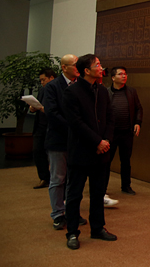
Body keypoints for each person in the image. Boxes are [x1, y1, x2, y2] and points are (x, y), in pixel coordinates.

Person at [62, 54, 117, 250]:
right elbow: (76, 123)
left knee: (98, 192)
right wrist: (97, 141)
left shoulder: (102, 91)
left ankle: (98, 228)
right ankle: (72, 232)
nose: (101, 68)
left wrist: (106, 141)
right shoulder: (72, 92)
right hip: (81, 151)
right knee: (75, 194)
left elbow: (110, 117)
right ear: (86, 70)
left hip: (101, 152)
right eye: (97, 65)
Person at [43, 54, 86, 230]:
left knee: (74, 179)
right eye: (75, 65)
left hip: (77, 141)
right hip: (59, 140)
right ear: (64, 67)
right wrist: (74, 128)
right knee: (58, 178)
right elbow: (52, 113)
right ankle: (58, 213)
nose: (78, 68)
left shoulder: (80, 85)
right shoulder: (53, 86)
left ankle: (72, 211)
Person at [106, 66, 143, 195]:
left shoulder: (131, 92)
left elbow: (138, 108)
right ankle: (102, 188)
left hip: (126, 132)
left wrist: (138, 122)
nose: (124, 76)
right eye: (120, 74)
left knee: (126, 160)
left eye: (125, 74)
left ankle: (126, 186)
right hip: (111, 133)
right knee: (106, 161)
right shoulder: (106, 92)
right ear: (113, 78)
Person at [30, 68, 56, 189]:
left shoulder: (57, 89)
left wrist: (43, 109)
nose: (42, 82)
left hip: (52, 126)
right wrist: (33, 108)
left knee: (54, 154)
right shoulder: (42, 90)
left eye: (43, 80)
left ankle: (56, 178)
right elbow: (39, 104)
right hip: (40, 125)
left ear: (51, 78)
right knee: (37, 151)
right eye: (40, 80)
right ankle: (44, 177)